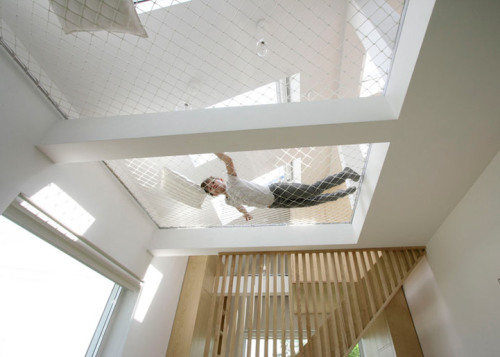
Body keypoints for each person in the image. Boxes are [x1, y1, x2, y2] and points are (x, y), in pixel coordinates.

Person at [201, 153, 360, 221]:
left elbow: (228, 160)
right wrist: (245, 214)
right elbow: (238, 206)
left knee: (312, 191)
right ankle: (343, 193)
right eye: (211, 189)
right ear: (214, 195)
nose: (214, 187)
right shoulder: (228, 202)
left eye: (213, 183)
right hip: (275, 204)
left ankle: (344, 173)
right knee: (312, 202)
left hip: (275, 190)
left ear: (220, 180)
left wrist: (215, 149)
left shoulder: (231, 181)